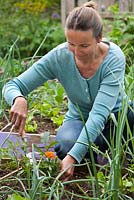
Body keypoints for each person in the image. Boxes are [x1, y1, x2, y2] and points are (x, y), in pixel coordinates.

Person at [2, 1, 134, 181]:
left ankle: (114, 151)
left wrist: (73, 157)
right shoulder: (60, 56)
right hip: (79, 120)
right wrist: (18, 98)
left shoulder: (113, 58)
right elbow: (12, 85)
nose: (76, 52)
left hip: (118, 120)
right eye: (71, 43)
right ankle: (103, 152)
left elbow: (99, 114)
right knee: (66, 145)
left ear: (99, 38)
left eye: (84, 46)